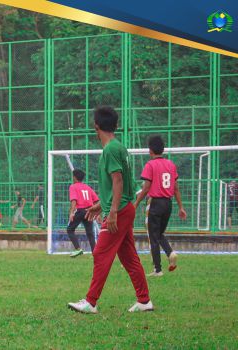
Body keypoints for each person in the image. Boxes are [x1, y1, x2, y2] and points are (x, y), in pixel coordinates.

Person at [67, 106, 152, 314]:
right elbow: (119, 182)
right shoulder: (118, 147)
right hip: (123, 207)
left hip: (120, 210)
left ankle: (91, 302)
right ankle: (144, 300)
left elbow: (118, 180)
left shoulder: (111, 149)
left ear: (96, 126)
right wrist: (101, 205)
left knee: (100, 253)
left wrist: (112, 211)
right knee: (129, 257)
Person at [133, 136, 187, 277]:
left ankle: (157, 269)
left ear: (150, 150)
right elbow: (176, 188)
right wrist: (181, 207)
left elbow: (146, 188)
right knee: (159, 234)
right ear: (162, 149)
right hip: (168, 204)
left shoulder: (150, 165)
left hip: (155, 203)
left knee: (152, 236)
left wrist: (136, 203)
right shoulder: (171, 165)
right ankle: (170, 253)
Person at [66, 169, 99, 258]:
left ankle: (78, 249)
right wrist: (97, 212)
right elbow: (96, 200)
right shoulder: (87, 187)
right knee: (90, 233)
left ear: (75, 177)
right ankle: (95, 253)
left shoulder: (73, 186)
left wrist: (72, 213)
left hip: (80, 211)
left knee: (70, 229)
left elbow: (74, 200)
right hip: (89, 210)